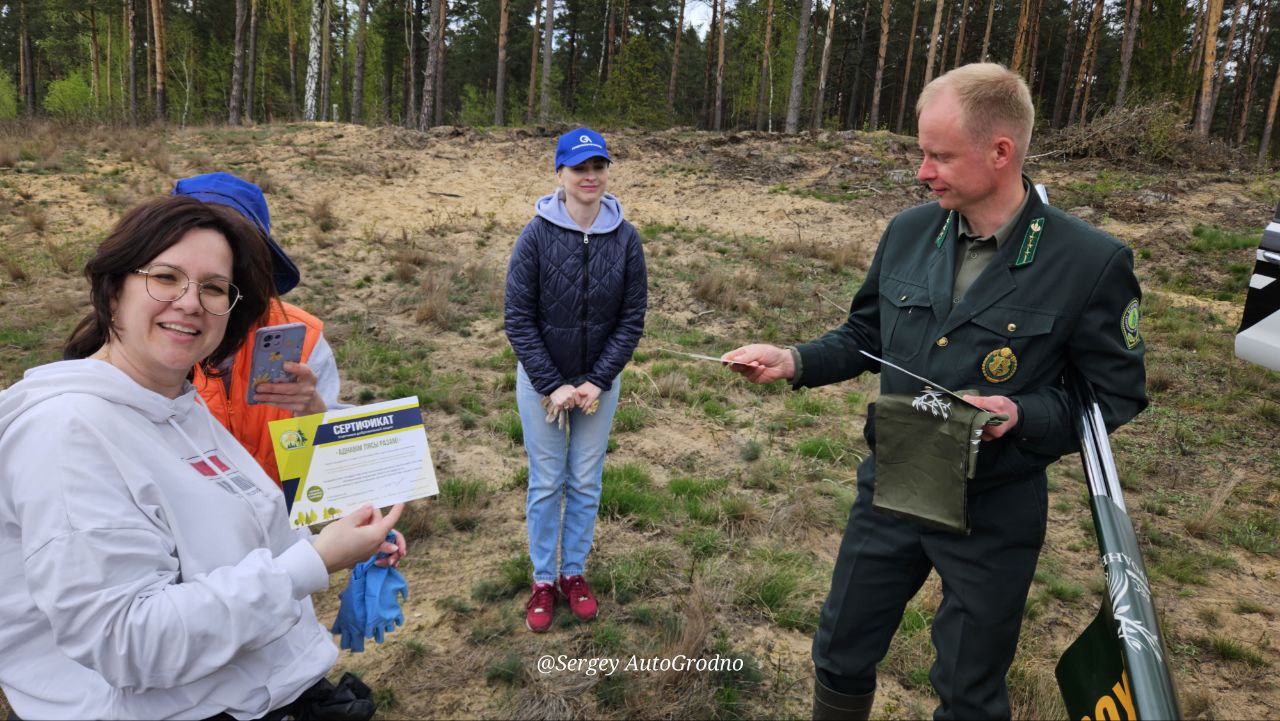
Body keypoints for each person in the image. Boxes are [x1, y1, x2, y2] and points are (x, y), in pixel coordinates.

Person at [725, 63, 1147, 720]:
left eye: (940, 156)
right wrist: (794, 359)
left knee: (969, 690)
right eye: (923, 153)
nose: (923, 171)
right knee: (839, 649)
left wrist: (1023, 413)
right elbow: (866, 333)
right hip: (897, 479)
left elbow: (1114, 393)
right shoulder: (909, 232)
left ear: (1000, 152)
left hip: (994, 505)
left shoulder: (1089, 261)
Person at [0, 196, 405, 720]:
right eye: (166, 277)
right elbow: (129, 641)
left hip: (265, 693)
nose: (190, 302)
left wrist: (341, 537)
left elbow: (231, 548)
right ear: (113, 291)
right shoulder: (65, 433)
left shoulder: (178, 406)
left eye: (213, 288)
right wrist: (315, 562)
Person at [504, 128, 647, 633]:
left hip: (597, 386)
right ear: (560, 173)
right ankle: (544, 580)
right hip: (541, 382)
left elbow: (632, 318)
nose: (590, 177)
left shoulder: (627, 239)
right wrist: (552, 384)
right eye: (579, 168)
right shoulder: (535, 236)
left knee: (585, 480)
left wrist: (599, 380)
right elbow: (518, 318)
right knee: (547, 482)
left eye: (598, 167)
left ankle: (574, 573)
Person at [173, 172, 343, 487]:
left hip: (280, 511)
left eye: (234, 247)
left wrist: (311, 413)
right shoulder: (151, 337)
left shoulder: (304, 337)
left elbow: (323, 471)